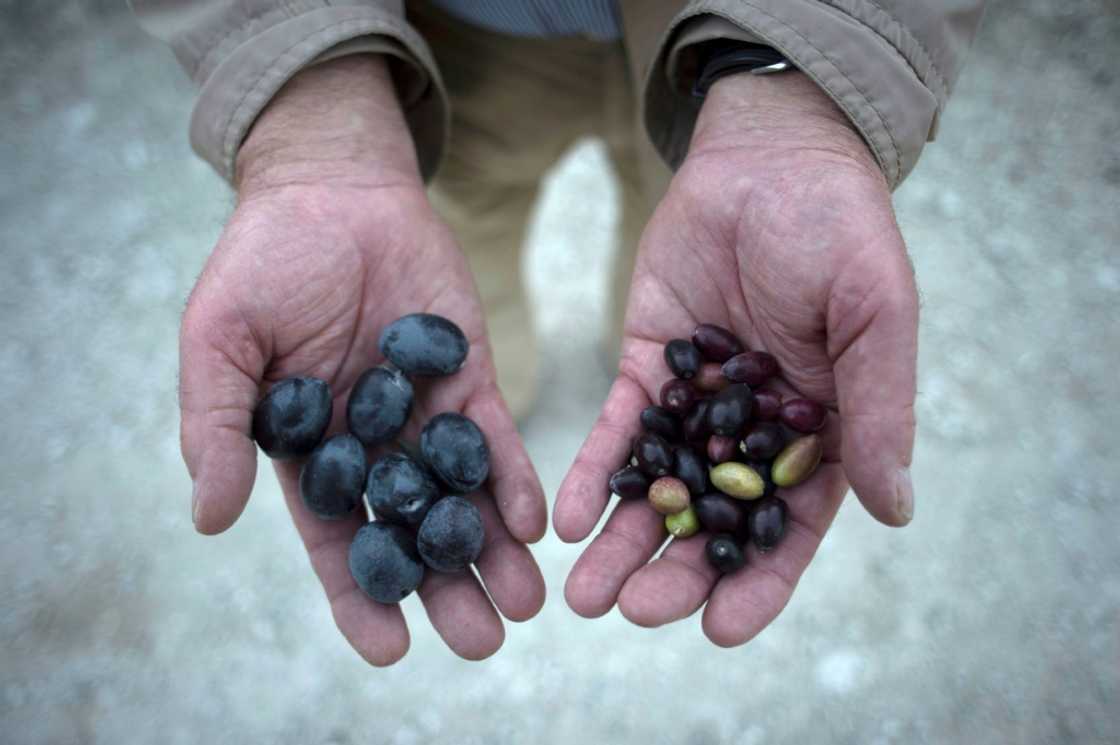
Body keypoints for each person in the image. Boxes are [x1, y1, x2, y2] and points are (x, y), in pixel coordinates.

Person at [132, 0, 985, 664]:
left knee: (673, 280)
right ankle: (523, 375)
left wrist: (808, 70)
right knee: (462, 247)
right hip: (449, 43)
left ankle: (604, 345)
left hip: (736, 47)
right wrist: (310, 100)